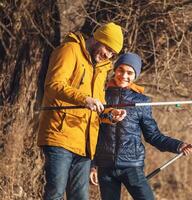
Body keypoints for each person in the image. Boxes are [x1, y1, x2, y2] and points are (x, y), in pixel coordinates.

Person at [37, 22, 127, 200]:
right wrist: (83, 99)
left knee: (80, 197)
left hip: (85, 143)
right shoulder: (69, 50)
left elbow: (98, 105)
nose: (108, 55)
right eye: (107, 49)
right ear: (98, 39)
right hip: (59, 135)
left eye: (112, 53)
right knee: (55, 192)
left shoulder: (103, 68)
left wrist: (110, 115)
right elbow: (54, 85)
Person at [90, 52, 192, 200]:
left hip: (132, 167)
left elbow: (153, 136)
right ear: (115, 69)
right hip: (105, 167)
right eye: (121, 70)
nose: (124, 76)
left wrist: (178, 145)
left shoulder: (142, 101)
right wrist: (92, 165)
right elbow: (92, 133)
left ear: (135, 76)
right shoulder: (101, 95)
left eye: (130, 73)